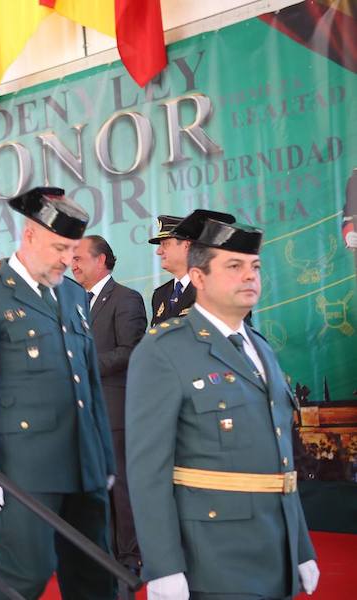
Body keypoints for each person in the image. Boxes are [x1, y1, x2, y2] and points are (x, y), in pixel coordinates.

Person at [126, 210, 320, 599]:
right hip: (213, 555)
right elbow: (149, 470)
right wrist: (164, 565)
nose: (249, 276)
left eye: (255, 266)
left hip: (274, 549)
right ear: (199, 277)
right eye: (234, 266)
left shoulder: (261, 350)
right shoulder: (163, 351)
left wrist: (300, 549)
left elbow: (281, 462)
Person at [0, 187, 116, 599]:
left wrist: (104, 457)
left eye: (73, 250)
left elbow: (89, 382)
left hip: (83, 462)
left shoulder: (74, 296)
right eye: (60, 247)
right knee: (26, 574)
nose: (67, 260)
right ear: (30, 235)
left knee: (95, 575)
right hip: (26, 468)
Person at [71, 234, 147, 573]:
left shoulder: (126, 299)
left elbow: (132, 351)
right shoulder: (71, 300)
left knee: (121, 489)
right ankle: (100, 553)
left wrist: (82, 364)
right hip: (79, 410)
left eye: (79, 258)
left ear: (101, 260)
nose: (72, 264)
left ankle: (129, 559)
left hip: (113, 409)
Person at [149, 215, 195, 326]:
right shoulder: (159, 294)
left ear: (186, 245)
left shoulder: (208, 289)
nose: (158, 251)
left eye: (165, 244)